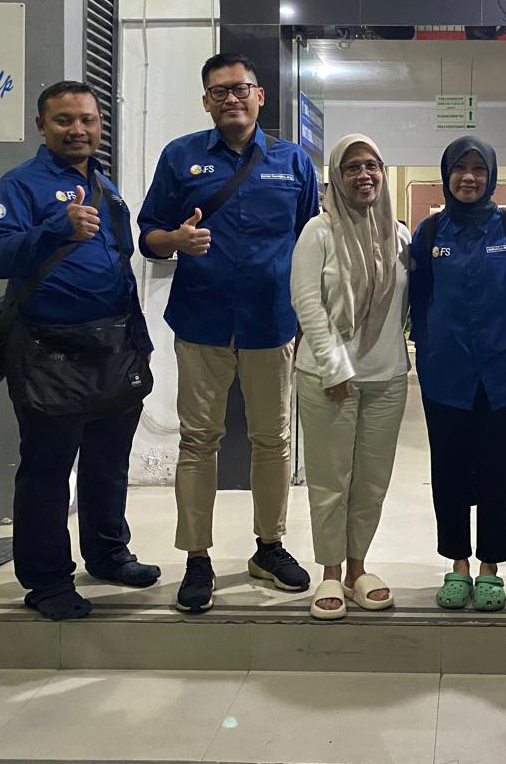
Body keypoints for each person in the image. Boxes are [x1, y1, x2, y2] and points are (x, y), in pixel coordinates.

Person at [137, 53, 319, 614]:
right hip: (203, 321)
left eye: (240, 88)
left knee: (273, 439)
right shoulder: (181, 156)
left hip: (272, 323)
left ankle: (270, 547)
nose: (231, 98)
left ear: (260, 95)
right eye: (218, 92)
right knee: (198, 440)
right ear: (206, 102)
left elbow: (311, 244)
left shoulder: (293, 161)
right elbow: (148, 235)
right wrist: (176, 241)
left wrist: (309, 320)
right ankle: (197, 558)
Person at [0, 81, 159, 621]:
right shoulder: (18, 186)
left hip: (114, 348)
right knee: (47, 469)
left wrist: (140, 341)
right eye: (64, 120)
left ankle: (107, 554)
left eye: (87, 119)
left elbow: (122, 267)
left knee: (108, 461)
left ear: (100, 124)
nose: (77, 130)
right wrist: (54, 228)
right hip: (46, 350)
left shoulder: (107, 189)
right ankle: (46, 581)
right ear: (42, 126)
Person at [409, 137, 506, 612]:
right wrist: (429, 348)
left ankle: (490, 567)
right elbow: (418, 297)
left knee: (495, 471)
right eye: (460, 168)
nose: (469, 177)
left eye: (478, 169)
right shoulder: (429, 232)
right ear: (446, 175)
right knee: (447, 471)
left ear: (491, 176)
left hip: (500, 376)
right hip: (445, 375)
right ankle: (458, 564)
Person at [289, 134, 411, 620]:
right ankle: (330, 572)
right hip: (327, 377)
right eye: (352, 167)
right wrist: (335, 366)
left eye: (372, 166)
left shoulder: (399, 235)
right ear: (337, 177)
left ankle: (359, 569)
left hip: (388, 376)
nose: (364, 175)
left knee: (372, 483)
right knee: (330, 481)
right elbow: (307, 303)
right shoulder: (317, 232)